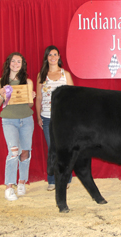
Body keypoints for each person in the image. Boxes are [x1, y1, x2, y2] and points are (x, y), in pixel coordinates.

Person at [0, 52, 36, 201]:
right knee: (13, 152)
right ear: (8, 63)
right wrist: (1, 95)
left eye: (19, 62)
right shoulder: (1, 82)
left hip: (26, 120)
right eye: (13, 61)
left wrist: (32, 97)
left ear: (22, 64)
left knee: (25, 152)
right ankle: (9, 187)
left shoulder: (28, 82)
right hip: (9, 120)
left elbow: (30, 105)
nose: (16, 64)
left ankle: (22, 182)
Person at [36, 45, 74, 191]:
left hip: (64, 119)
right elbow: (39, 97)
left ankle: (66, 178)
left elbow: (73, 97)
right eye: (50, 55)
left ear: (59, 57)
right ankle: (51, 180)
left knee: (64, 149)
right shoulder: (41, 75)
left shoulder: (66, 75)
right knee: (52, 148)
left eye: (55, 54)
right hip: (47, 117)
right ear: (47, 58)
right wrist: (39, 116)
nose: (52, 57)